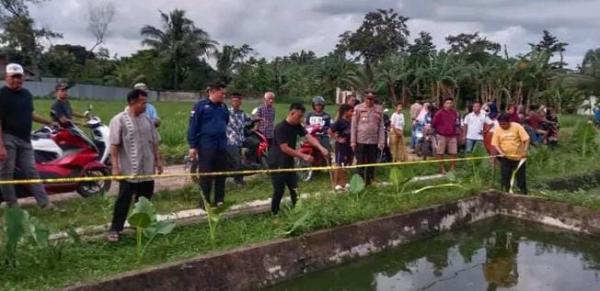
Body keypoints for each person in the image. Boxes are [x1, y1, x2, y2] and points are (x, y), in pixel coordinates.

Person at [106, 89, 163, 242]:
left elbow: (155, 142)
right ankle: (115, 229)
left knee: (145, 199)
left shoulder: (147, 120)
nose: (146, 105)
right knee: (123, 199)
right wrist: (115, 167)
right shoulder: (119, 120)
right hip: (129, 169)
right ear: (133, 102)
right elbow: (114, 145)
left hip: (147, 168)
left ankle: (140, 225)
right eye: (143, 102)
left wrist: (158, 161)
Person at [0, 63, 58, 209]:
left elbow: (31, 114)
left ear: (23, 78)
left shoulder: (26, 94)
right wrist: (0, 145)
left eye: (19, 77)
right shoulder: (2, 94)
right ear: (6, 77)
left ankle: (45, 204)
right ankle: (13, 207)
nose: (16, 80)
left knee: (32, 171)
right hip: (8, 138)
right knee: (6, 174)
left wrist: (49, 122)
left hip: (25, 140)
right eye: (13, 77)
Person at [269, 103, 328, 214]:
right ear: (292, 113)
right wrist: (303, 156)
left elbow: (308, 136)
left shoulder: (297, 126)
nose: (301, 119)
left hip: (288, 161)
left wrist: (321, 148)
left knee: (294, 188)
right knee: (279, 190)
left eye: (302, 116)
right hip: (277, 162)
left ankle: (297, 211)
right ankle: (274, 213)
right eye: (299, 116)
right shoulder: (280, 127)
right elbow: (284, 148)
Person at [188, 82, 229, 207]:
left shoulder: (223, 107)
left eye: (224, 94)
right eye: (222, 93)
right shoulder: (200, 106)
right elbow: (193, 127)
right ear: (212, 92)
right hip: (206, 144)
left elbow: (225, 122)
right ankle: (204, 202)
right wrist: (192, 146)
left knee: (221, 174)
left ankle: (219, 200)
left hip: (221, 144)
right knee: (206, 175)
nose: (224, 96)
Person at [351, 90, 385, 186]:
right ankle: (358, 184)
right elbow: (354, 126)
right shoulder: (358, 108)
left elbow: (381, 127)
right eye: (367, 98)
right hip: (361, 140)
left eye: (371, 99)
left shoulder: (379, 109)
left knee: (371, 163)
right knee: (360, 163)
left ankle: (369, 182)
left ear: (374, 99)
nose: (369, 101)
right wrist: (353, 141)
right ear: (364, 98)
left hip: (373, 141)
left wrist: (381, 141)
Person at [491, 113, 530, 195]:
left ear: (509, 122)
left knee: (520, 177)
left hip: (519, 157)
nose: (502, 126)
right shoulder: (497, 130)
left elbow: (526, 139)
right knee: (505, 175)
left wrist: (525, 151)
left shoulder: (517, 127)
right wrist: (501, 152)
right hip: (505, 157)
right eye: (500, 124)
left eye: (504, 124)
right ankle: (505, 192)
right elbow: (495, 144)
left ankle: (522, 193)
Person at [226, 93, 250, 186]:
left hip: (239, 140)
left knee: (238, 160)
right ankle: (238, 180)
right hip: (230, 140)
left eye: (238, 100)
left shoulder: (242, 113)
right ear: (231, 102)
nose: (236, 102)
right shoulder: (226, 112)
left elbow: (250, 120)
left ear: (240, 102)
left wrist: (256, 121)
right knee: (237, 161)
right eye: (234, 100)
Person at [432, 98, 460, 174]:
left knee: (454, 152)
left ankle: (452, 168)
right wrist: (440, 129)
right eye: (447, 103)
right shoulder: (439, 113)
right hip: (442, 135)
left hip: (452, 135)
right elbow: (434, 123)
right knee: (440, 152)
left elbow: (457, 123)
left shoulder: (454, 113)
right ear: (444, 104)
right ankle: (442, 168)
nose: (449, 104)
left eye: (450, 103)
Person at [330, 104, 354, 191]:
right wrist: (338, 139)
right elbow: (330, 131)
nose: (352, 113)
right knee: (339, 164)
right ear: (345, 112)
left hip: (349, 145)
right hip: (341, 146)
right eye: (351, 111)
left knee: (347, 164)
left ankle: (344, 181)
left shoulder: (351, 121)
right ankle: (336, 183)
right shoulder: (339, 121)